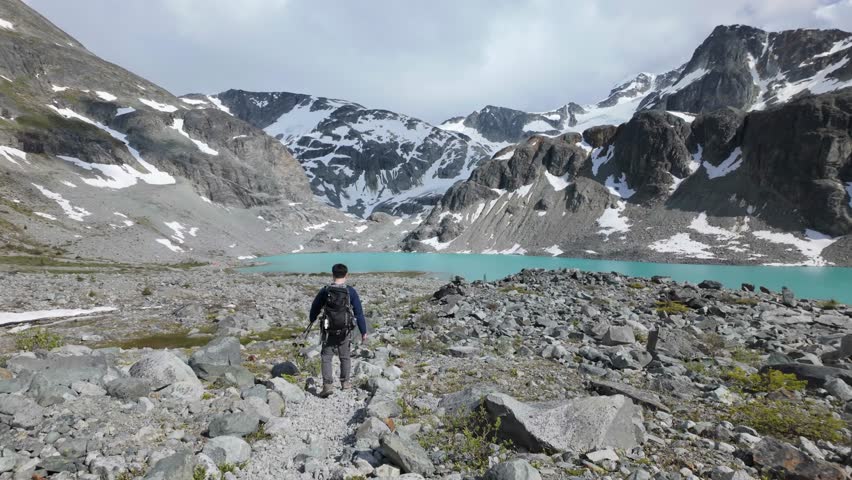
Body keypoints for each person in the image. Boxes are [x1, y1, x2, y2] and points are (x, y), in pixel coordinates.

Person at [308, 263, 368, 398]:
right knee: (345, 356)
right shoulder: (350, 291)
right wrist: (363, 331)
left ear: (333, 274)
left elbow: (315, 307)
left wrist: (312, 319)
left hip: (328, 330)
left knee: (326, 357)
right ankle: (345, 383)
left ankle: (328, 385)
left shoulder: (325, 290)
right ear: (346, 275)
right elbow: (359, 313)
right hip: (345, 329)